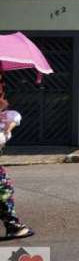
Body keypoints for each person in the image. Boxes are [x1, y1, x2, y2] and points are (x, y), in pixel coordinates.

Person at [0, 96, 34, 239]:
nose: (5, 100)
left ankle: (13, 225)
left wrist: (7, 129)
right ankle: (13, 226)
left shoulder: (6, 117)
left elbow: (15, 117)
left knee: (4, 191)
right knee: (4, 192)